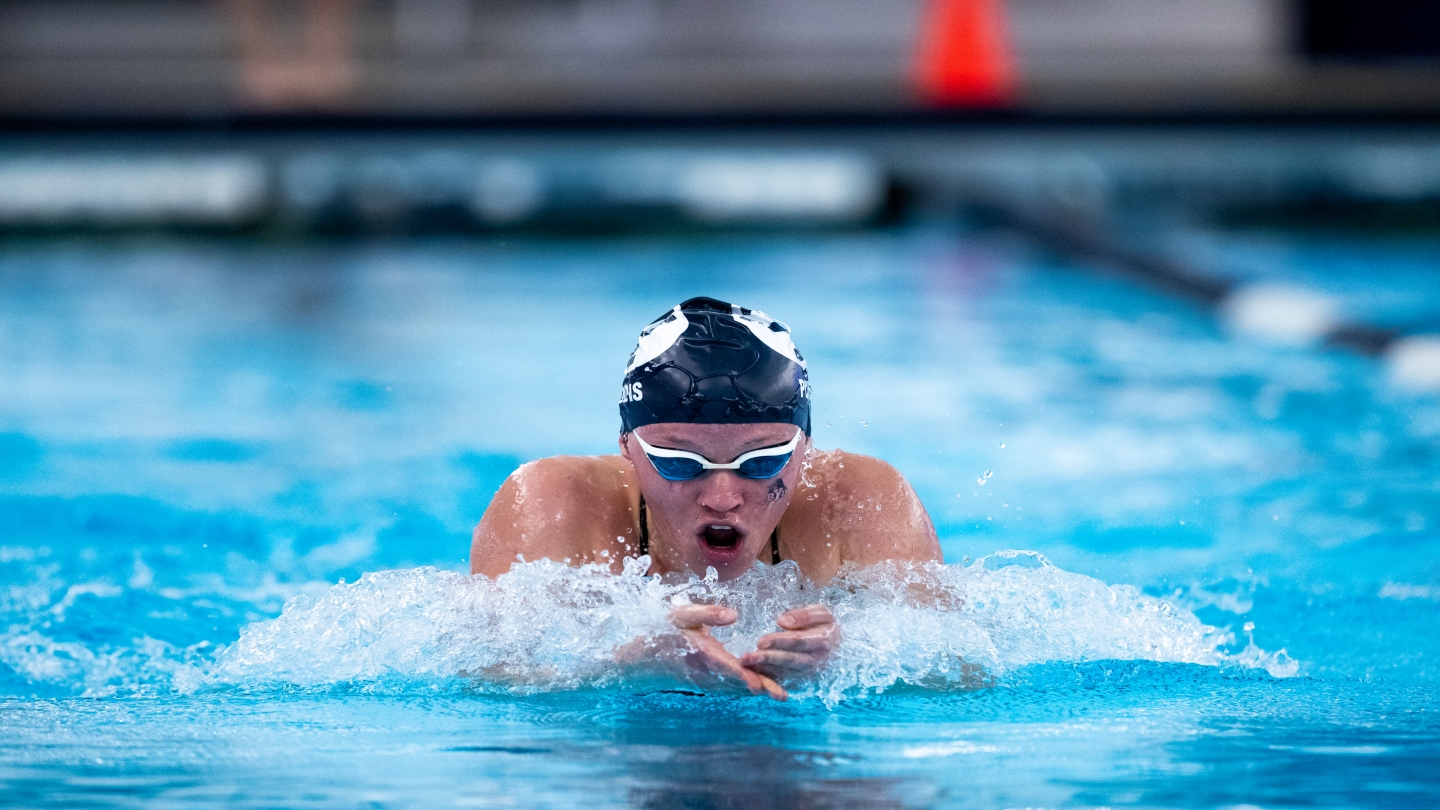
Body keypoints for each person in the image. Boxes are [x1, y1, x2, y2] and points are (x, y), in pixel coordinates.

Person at [471, 297, 942, 700]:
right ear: (626, 444)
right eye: (678, 462)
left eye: (761, 461)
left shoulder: (861, 501)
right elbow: (488, 684)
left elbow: (961, 672)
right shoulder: (550, 505)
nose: (721, 498)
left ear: (806, 446)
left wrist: (857, 656)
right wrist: (636, 664)